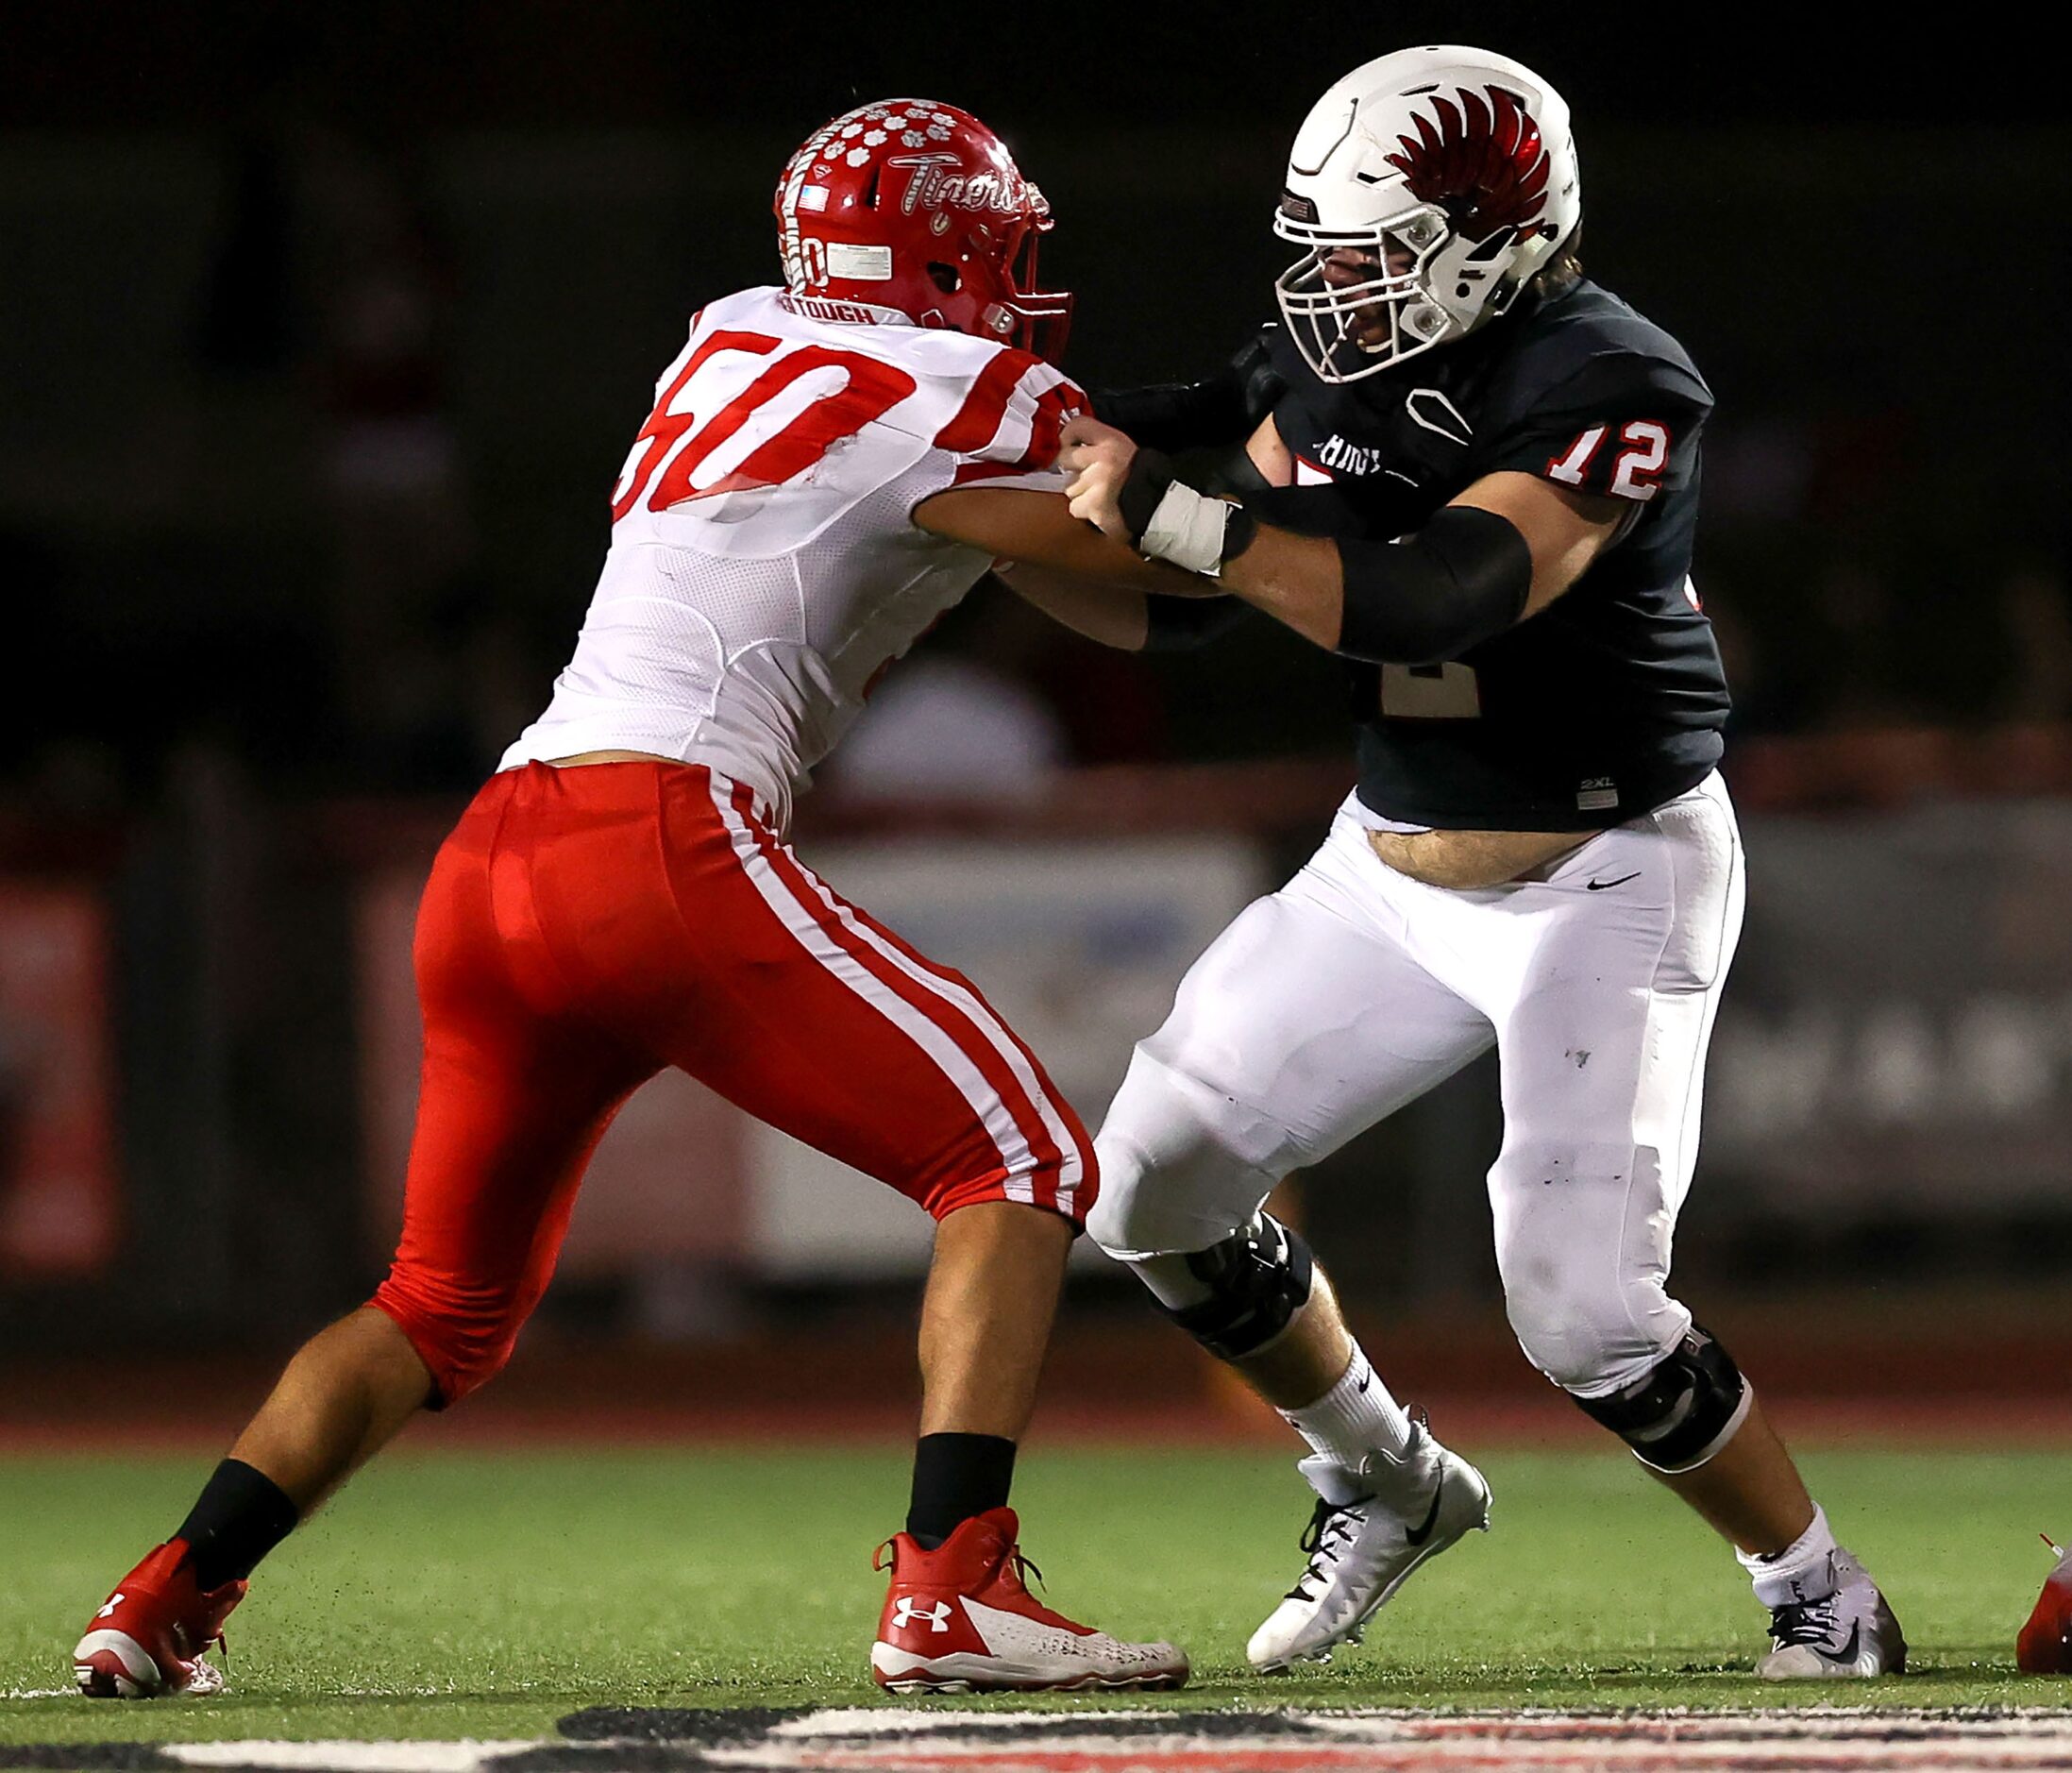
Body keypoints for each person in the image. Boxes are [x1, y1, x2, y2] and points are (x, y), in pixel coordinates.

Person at [73, 98, 1195, 1702]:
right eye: (1000, 247)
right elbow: (1149, 557)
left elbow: (1027, 541)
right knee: (1015, 1152)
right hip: (659, 838)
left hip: (499, 846)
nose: (1021, 276)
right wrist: (1301, 480)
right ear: (942, 249)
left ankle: (167, 1594)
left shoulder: (734, 336)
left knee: (436, 1302)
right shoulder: (974, 385)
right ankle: (953, 1586)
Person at [1030, 45, 1905, 1680]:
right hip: (1389, 865)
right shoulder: (1335, 349)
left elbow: (1447, 593)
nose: (1327, 301)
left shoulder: (1615, 380)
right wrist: (967, 430)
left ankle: (1819, 1587)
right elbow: (1179, 424)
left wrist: (1192, 523)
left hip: (1606, 863)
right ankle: (1381, 1471)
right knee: (1147, 1180)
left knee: (1581, 1307)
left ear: (1489, 234)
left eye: (1366, 261)